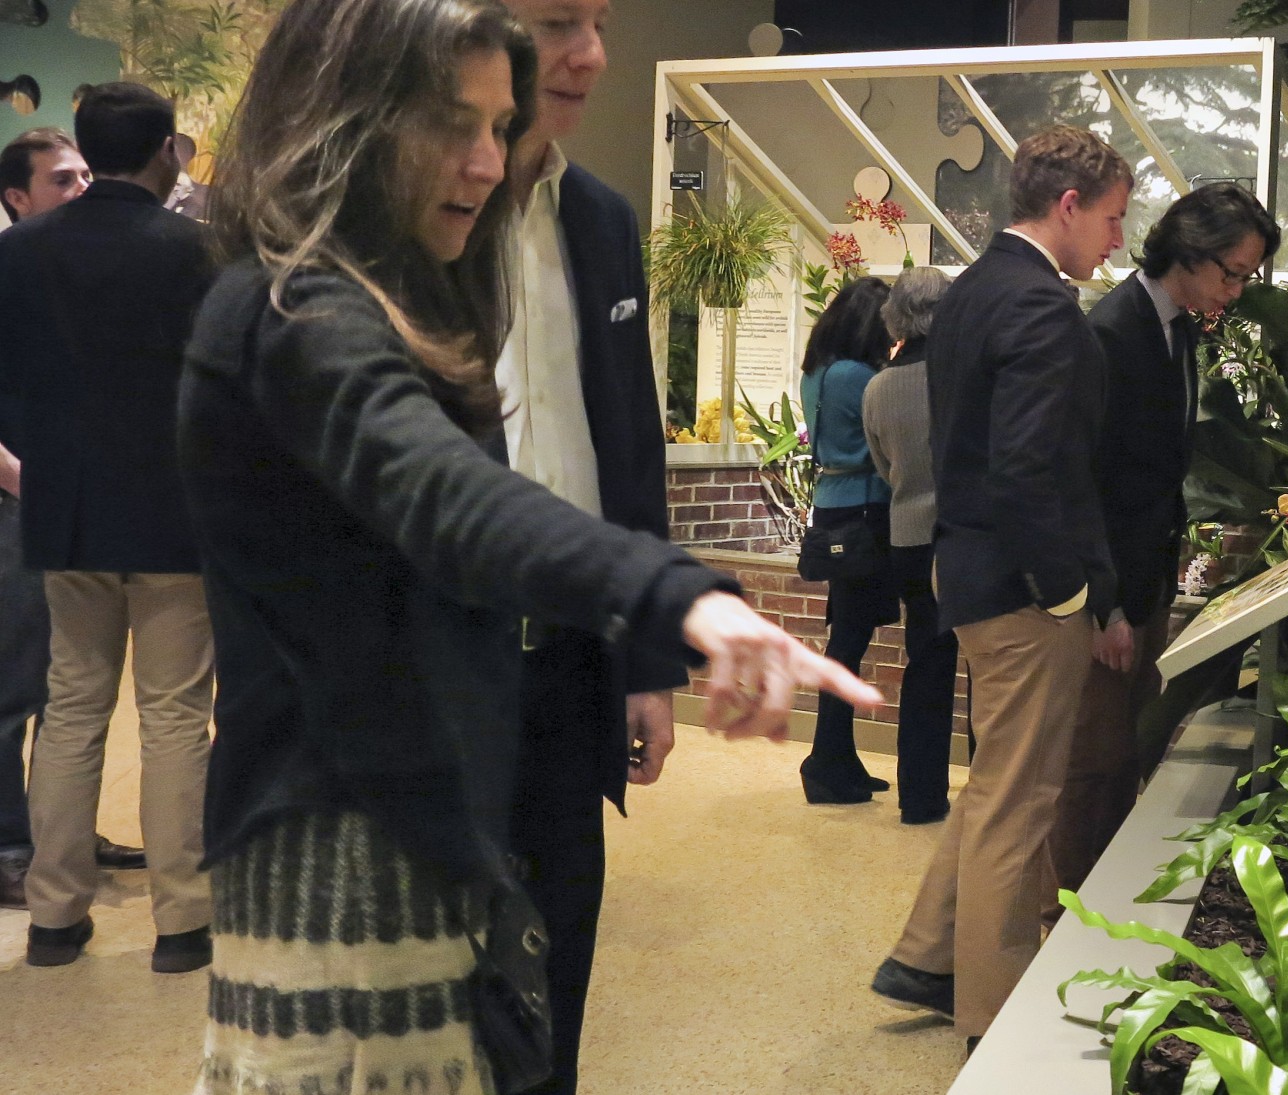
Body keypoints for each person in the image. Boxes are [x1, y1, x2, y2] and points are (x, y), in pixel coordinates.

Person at [179, 1, 877, 1091]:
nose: (483, 162)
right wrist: (679, 595)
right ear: (351, 123)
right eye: (452, 126)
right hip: (346, 836)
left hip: (451, 781)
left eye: (499, 129)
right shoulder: (296, 309)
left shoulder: (404, 284)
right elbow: (448, 493)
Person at [873, 124, 1130, 1045]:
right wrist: (1066, 590)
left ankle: (927, 954)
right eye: (1110, 219)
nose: (1116, 241)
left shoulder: (978, 287)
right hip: (1021, 587)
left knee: (995, 782)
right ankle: (992, 1016)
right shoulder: (1041, 305)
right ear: (1067, 207)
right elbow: (1030, 468)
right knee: (1021, 801)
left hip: (972, 566)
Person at [488, 1, 688, 1088]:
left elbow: (628, 450)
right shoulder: (388, 220)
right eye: (559, 18)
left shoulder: (599, 217)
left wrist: (646, 659)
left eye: (603, 21)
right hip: (435, 662)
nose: (594, 55)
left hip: (569, 657)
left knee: (559, 952)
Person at [0, 83, 216, 972]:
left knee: (73, 708)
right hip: (174, 513)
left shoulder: (21, 251)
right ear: (165, 149)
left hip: (63, 508)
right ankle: (181, 921)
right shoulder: (199, 250)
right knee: (172, 716)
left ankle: (53, 917)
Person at [1049, 182, 1278, 905]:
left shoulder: (1177, 327)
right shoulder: (1113, 331)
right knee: (1093, 756)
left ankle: (1105, 897)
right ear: (1189, 251)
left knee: (1126, 747)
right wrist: (1106, 608)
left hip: (1145, 574)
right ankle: (1068, 907)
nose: (1236, 292)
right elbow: (1081, 479)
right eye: (1231, 273)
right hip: (1106, 587)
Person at [0, 124, 128, 914]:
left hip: (72, 499)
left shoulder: (63, 272)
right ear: (16, 198)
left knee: (69, 680)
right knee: (12, 682)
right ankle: (12, 843)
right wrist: (23, 483)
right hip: (17, 503)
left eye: (85, 176)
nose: (82, 191)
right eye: (62, 180)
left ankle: (63, 834)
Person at [798, 275, 899, 805]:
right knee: (848, 641)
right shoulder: (858, 376)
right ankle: (826, 761)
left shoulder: (816, 373)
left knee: (847, 634)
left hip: (831, 509)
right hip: (866, 508)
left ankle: (836, 756)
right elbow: (883, 441)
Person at [861, 266, 957, 825]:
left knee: (924, 663)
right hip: (962, 537)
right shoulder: (960, 378)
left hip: (907, 538)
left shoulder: (877, 388)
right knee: (988, 667)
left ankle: (919, 796)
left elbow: (882, 465)